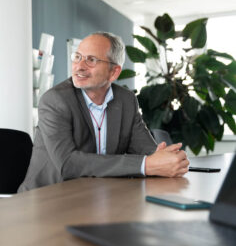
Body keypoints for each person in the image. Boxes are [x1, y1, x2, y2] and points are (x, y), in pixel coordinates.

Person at [19, 32, 189, 191]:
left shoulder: (126, 100)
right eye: (77, 57)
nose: (79, 66)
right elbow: (68, 164)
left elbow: (149, 152)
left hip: (98, 195)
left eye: (91, 60)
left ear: (114, 72)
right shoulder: (55, 100)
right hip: (48, 199)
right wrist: (146, 165)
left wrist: (169, 160)